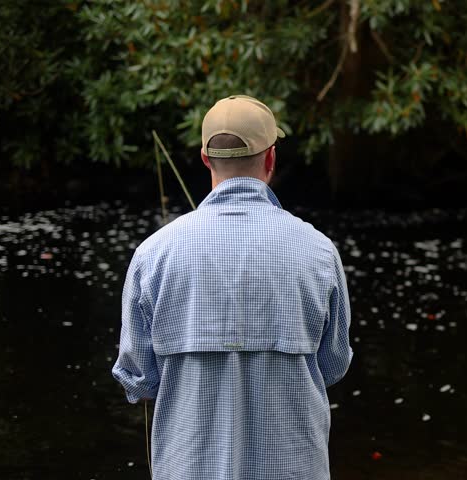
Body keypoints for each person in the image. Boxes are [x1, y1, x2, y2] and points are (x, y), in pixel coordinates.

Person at [112, 95, 353, 480]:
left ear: (206, 158)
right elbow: (334, 364)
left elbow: (139, 379)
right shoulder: (318, 251)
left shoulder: (153, 253)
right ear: (271, 158)